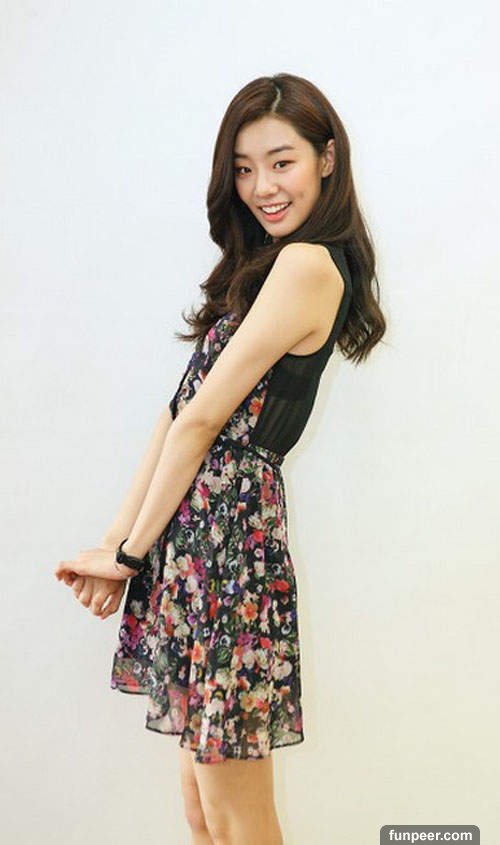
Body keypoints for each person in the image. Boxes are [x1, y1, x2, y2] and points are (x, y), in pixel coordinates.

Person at [54, 72, 386, 845]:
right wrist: (116, 542)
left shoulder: (308, 266)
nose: (261, 186)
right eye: (243, 168)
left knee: (238, 815)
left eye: (281, 162)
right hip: (198, 543)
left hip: (231, 545)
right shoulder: (267, 267)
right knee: (203, 809)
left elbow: (204, 421)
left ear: (326, 159)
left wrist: (130, 553)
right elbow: (177, 412)